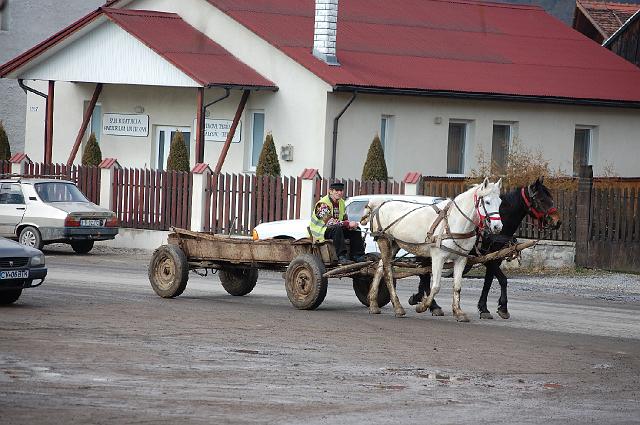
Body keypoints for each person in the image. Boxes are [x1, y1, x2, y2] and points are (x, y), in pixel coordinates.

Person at [309, 182, 365, 265]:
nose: (339, 193)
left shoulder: (341, 202)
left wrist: (351, 225)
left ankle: (357, 255)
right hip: (320, 231)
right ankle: (341, 257)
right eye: (337, 190)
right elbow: (329, 222)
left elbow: (345, 218)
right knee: (336, 228)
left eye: (341, 190)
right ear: (330, 191)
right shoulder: (321, 204)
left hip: (334, 229)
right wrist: (347, 224)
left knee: (356, 230)